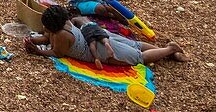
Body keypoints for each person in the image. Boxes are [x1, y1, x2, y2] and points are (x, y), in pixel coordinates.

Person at [24, 5, 186, 66]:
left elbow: (57, 53)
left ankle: (169, 49)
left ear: (53, 26)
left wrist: (37, 51)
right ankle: (171, 54)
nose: (44, 27)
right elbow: (46, 37)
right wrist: (33, 40)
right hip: (97, 34)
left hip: (101, 50)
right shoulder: (64, 23)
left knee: (139, 57)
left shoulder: (61, 35)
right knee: (135, 45)